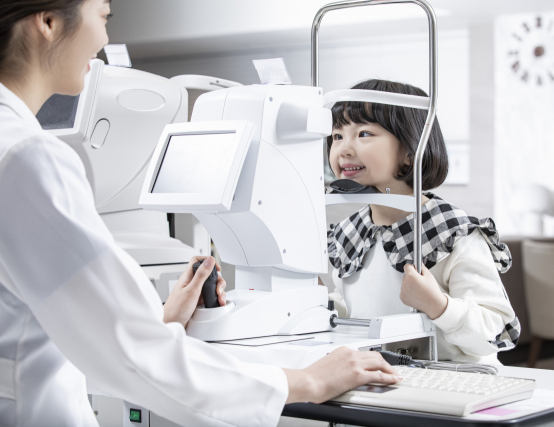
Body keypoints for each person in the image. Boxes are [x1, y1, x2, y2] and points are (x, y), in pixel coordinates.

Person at [0, 1, 401, 426]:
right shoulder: (28, 157)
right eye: (103, 17)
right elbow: (133, 357)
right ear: (46, 23)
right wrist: (305, 381)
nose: (104, 39)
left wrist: (156, 324)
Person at [326, 79, 520, 365]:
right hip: (385, 385)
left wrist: (438, 306)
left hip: (461, 385)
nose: (343, 148)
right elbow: (350, 312)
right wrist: (320, 306)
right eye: (337, 136)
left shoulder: (455, 233)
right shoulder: (348, 235)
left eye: (364, 133)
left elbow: (496, 330)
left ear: (409, 151)